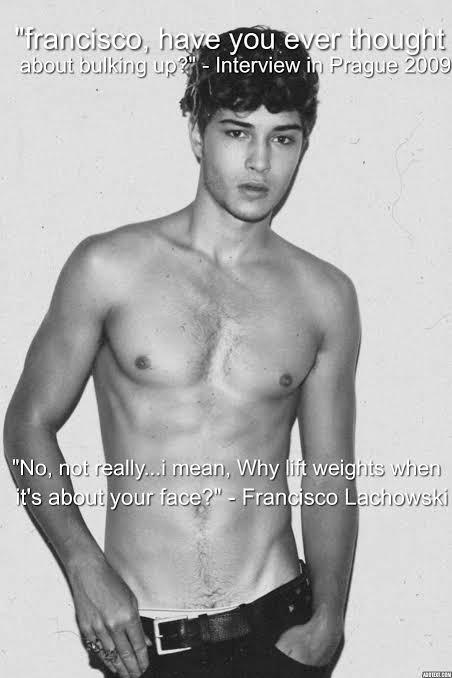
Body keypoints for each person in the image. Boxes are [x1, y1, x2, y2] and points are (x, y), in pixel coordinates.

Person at [4, 26, 360, 678]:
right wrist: (84, 568)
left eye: (282, 138)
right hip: (142, 642)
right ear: (198, 135)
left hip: (280, 627)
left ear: (304, 145)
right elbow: (27, 425)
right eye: (237, 132)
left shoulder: (325, 297)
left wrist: (329, 620)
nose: (260, 162)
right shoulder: (108, 267)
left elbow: (329, 472)